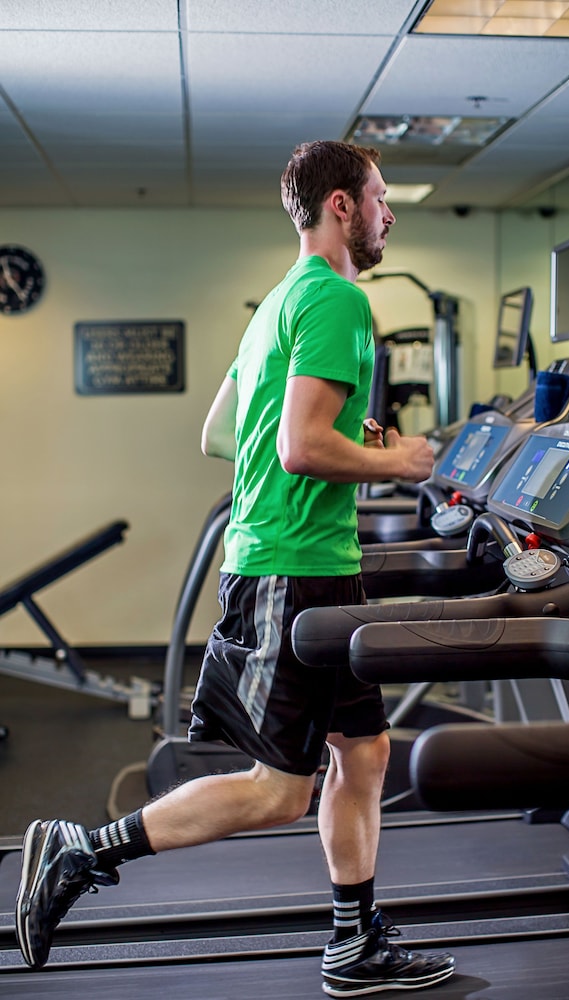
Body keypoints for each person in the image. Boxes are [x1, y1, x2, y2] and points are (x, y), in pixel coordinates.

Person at [15, 140, 456, 996]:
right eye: (379, 198)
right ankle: (82, 849)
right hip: (292, 569)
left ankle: (352, 942)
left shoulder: (276, 305)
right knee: (279, 792)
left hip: (312, 564)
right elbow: (298, 447)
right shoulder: (336, 297)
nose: (388, 214)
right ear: (340, 205)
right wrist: (397, 460)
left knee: (364, 752)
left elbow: (222, 432)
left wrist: (347, 437)